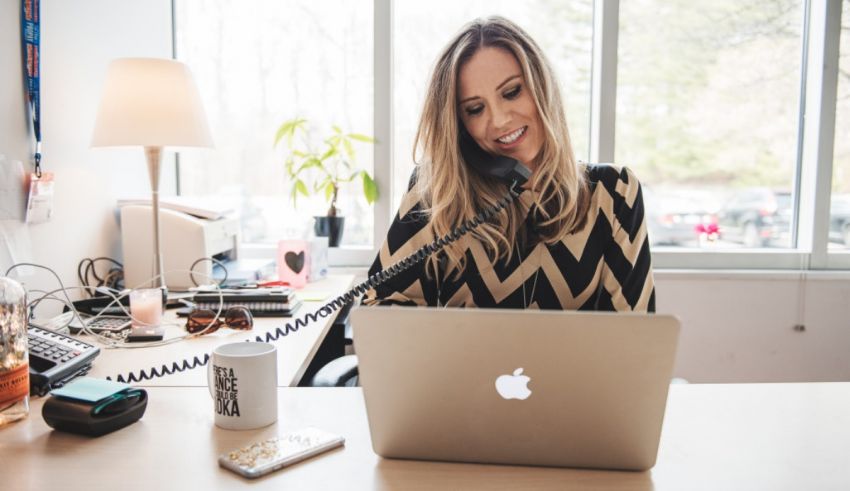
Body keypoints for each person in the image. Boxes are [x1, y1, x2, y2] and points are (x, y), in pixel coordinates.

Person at [363, 16, 655, 312]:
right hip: (461, 361)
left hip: (576, 362)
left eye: (512, 92)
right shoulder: (437, 191)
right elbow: (377, 307)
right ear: (460, 126)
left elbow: (635, 334)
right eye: (475, 109)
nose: (500, 120)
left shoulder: (614, 192)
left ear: (542, 88)